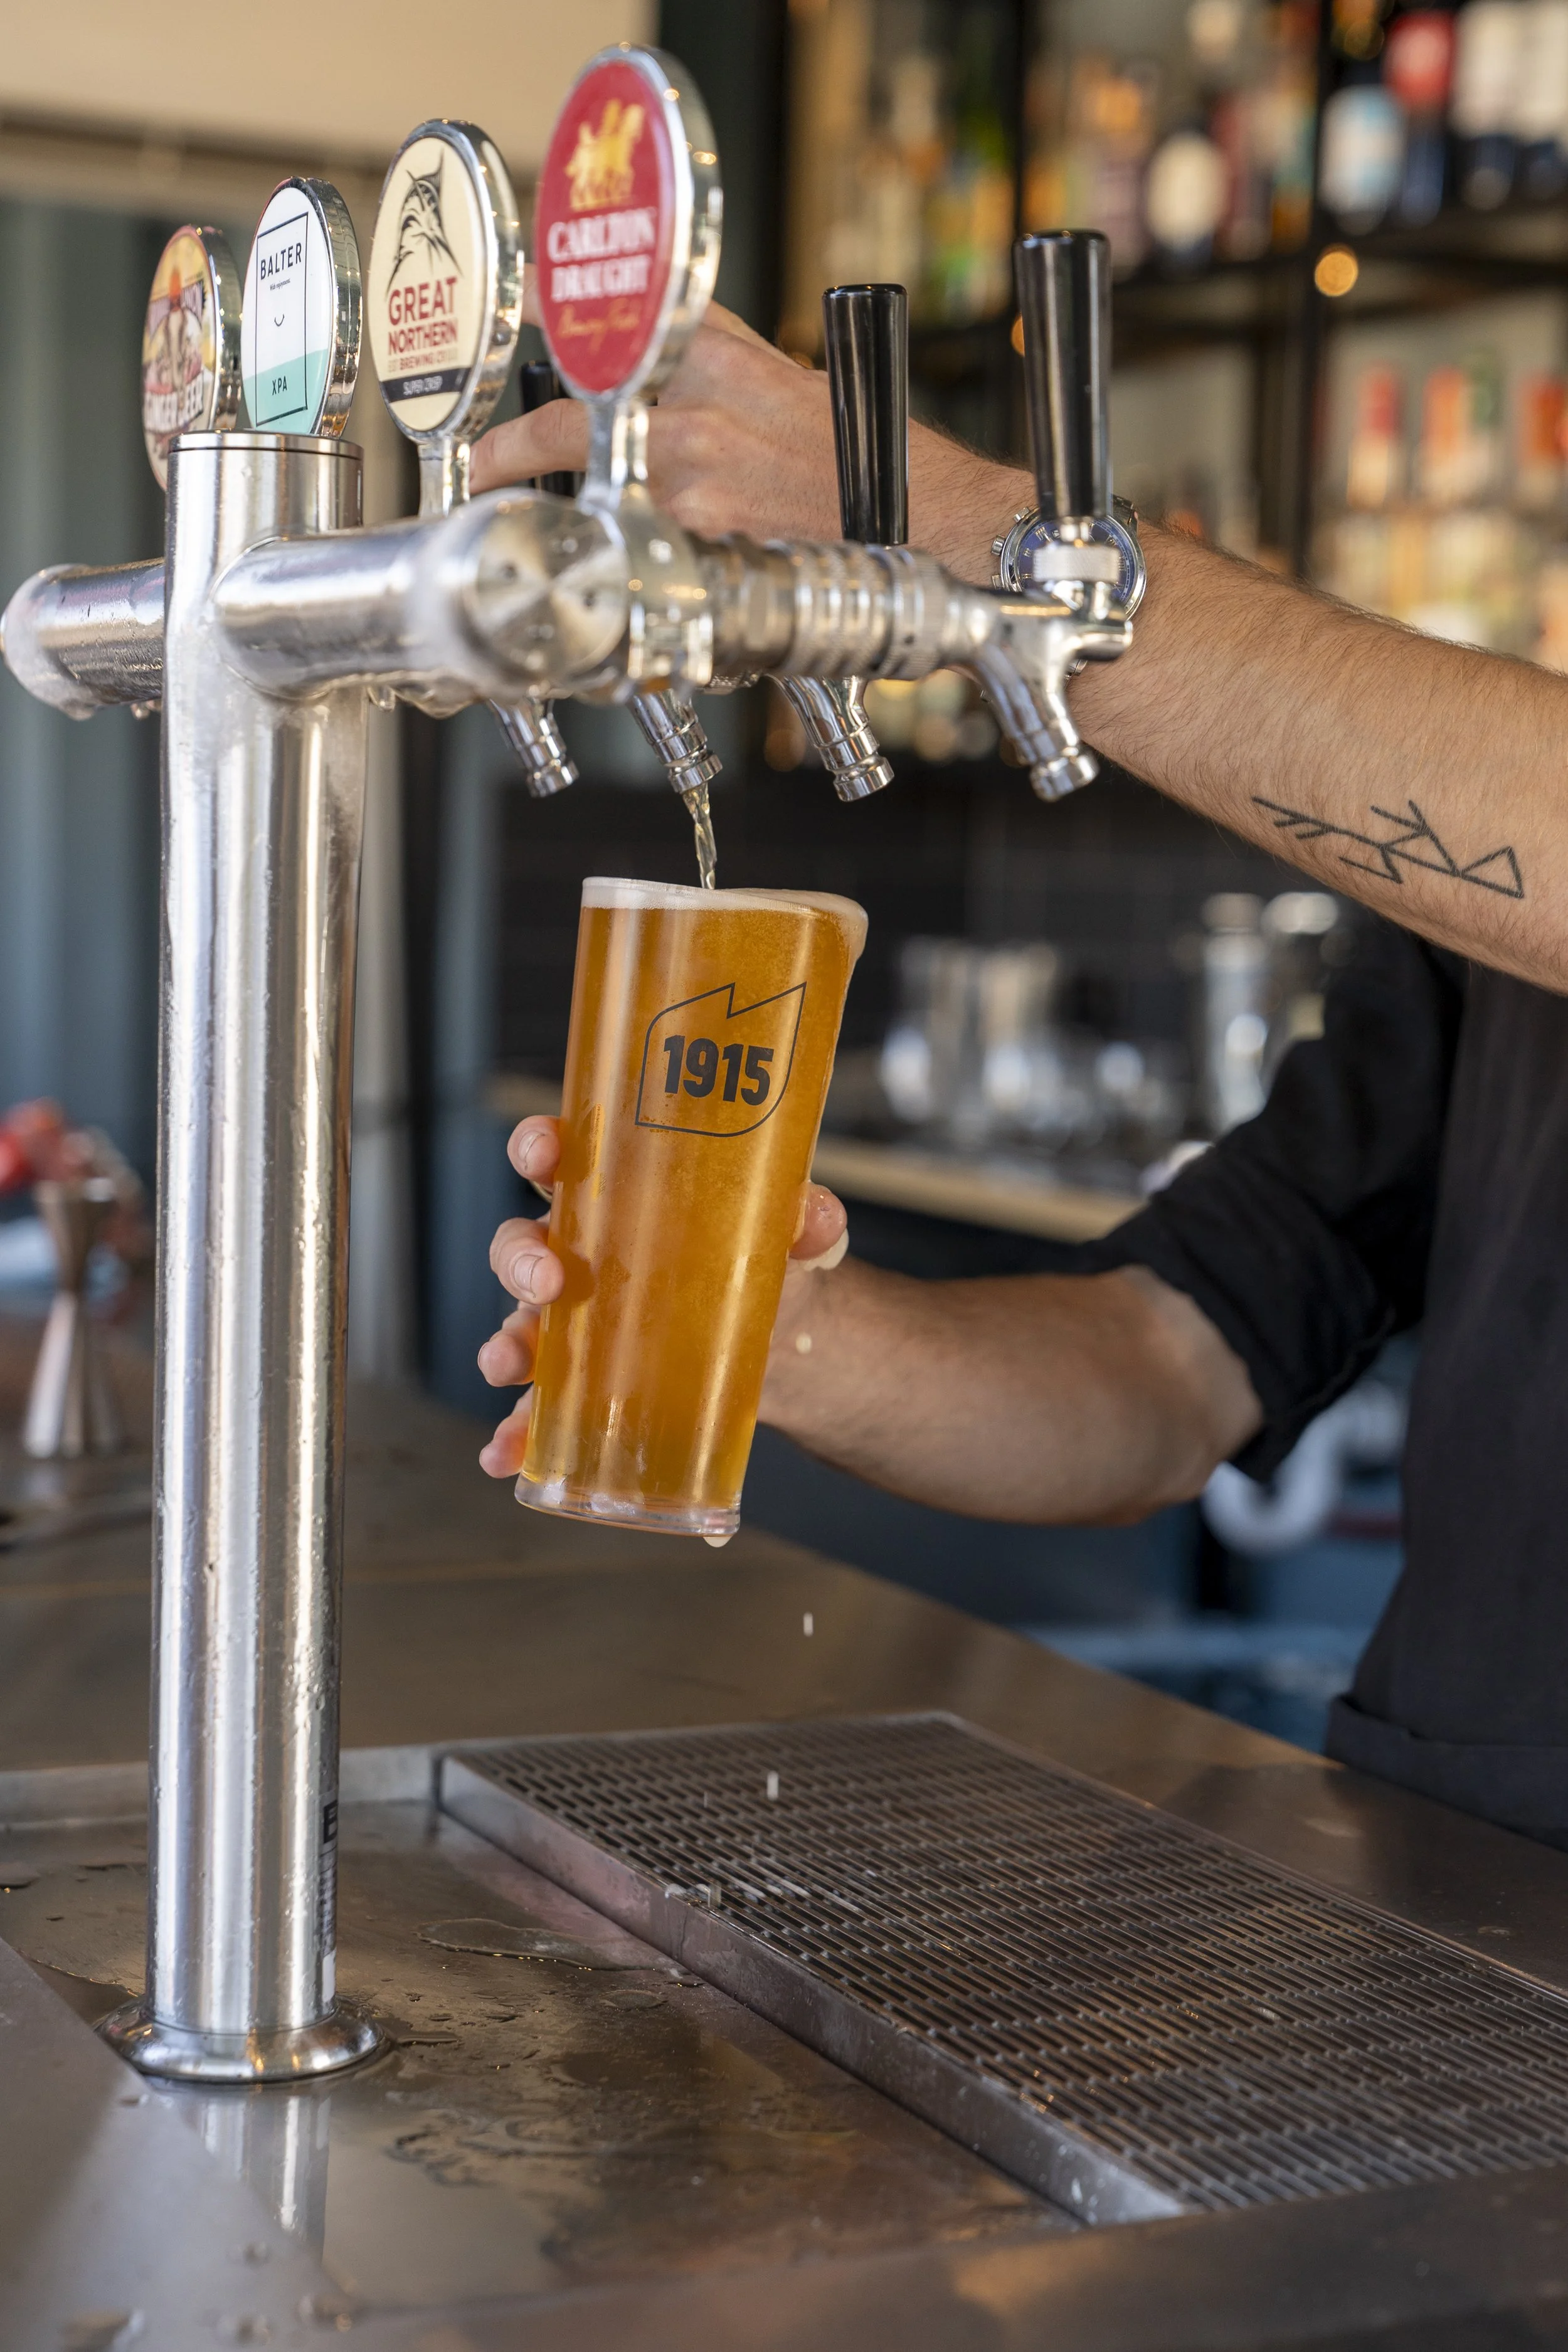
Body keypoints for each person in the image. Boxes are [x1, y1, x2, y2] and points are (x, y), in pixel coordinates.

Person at [470, 289, 1568, 1850]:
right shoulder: (1472, 923)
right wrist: (766, 1335)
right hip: (1464, 1883)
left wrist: (938, 526)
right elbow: (1168, 1366)